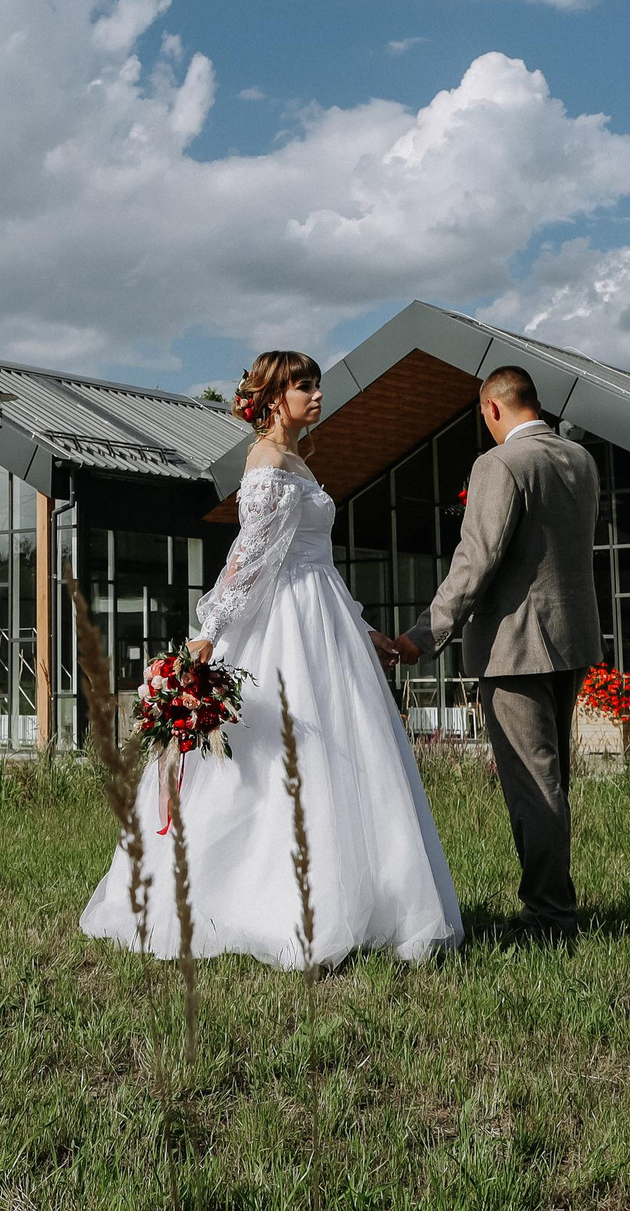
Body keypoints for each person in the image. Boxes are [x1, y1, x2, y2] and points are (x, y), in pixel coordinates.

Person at [78, 350, 462, 969]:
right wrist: (211, 629)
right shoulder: (266, 463)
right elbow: (249, 559)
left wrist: (364, 631)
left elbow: (318, 565)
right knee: (284, 759)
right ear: (273, 398)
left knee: (341, 756)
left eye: (317, 385)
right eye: (303, 387)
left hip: (321, 615)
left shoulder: (299, 464)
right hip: (281, 624)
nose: (316, 396)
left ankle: (365, 903)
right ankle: (270, 906)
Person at [376, 364, 601, 946]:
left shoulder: (499, 465)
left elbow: (475, 562)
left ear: (492, 409)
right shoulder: (581, 460)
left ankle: (549, 919)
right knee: (553, 780)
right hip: (572, 640)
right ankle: (553, 907)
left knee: (533, 783)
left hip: (516, 648)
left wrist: (421, 638)